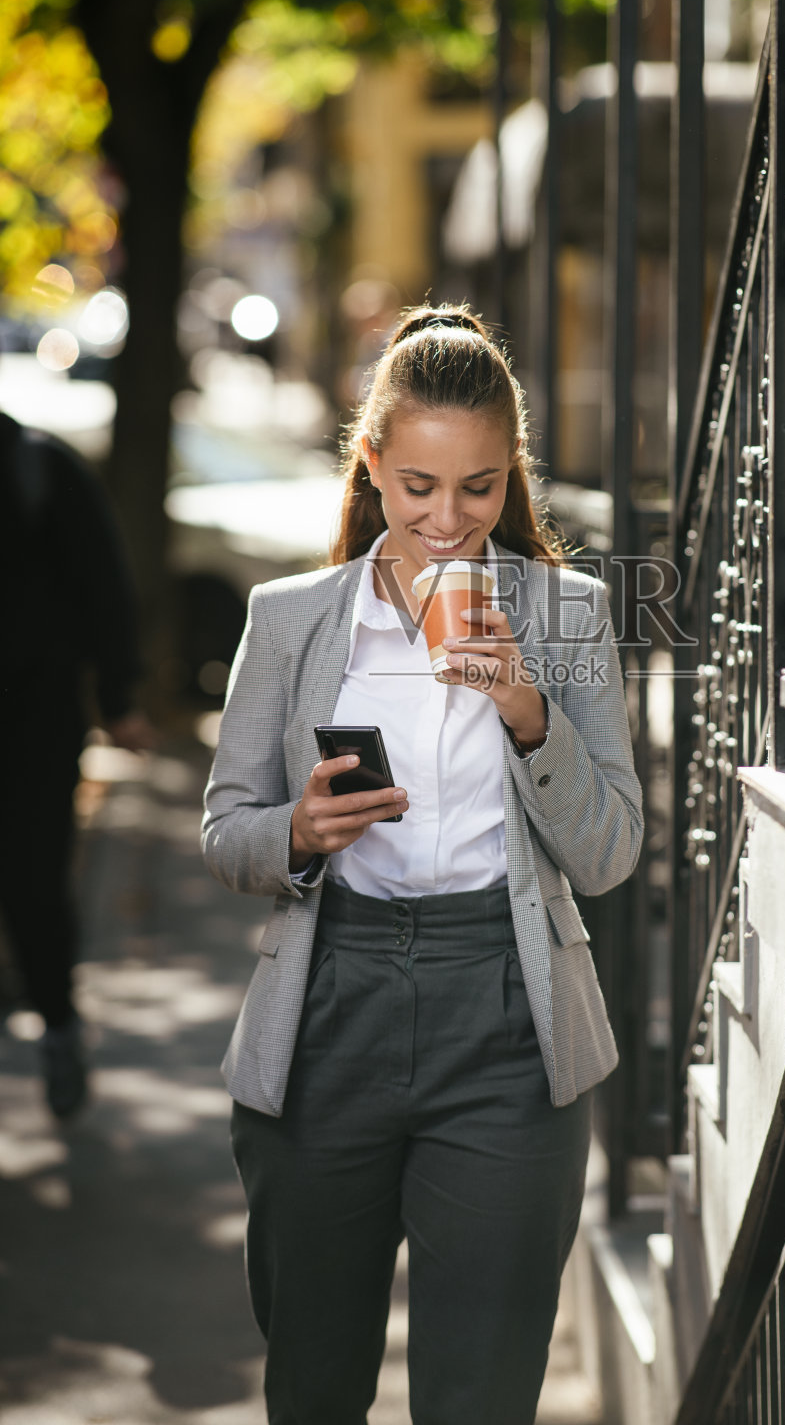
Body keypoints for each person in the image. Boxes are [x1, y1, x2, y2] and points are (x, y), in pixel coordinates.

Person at [202, 305, 643, 1425]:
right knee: (313, 1384)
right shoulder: (291, 618)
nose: (447, 520)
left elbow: (607, 857)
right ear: (371, 466)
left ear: (510, 478)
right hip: (329, 1012)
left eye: (479, 488)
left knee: (481, 1397)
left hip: (505, 1019)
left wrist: (529, 715)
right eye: (417, 486)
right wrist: (298, 832)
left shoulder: (567, 615)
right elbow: (226, 833)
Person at [0, 408, 151, 1117]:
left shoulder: (40, 466)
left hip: (36, 721)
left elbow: (103, 584)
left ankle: (57, 1026)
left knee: (33, 882)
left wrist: (120, 698)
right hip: (43, 714)